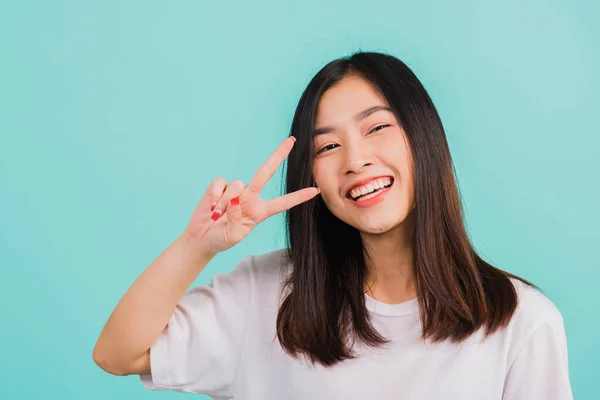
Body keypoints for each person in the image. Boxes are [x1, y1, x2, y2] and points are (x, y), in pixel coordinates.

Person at [93, 52, 573, 399]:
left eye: (377, 127)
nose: (356, 160)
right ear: (312, 175)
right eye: (327, 147)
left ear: (424, 138)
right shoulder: (268, 296)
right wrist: (198, 245)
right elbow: (119, 354)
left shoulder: (522, 323)